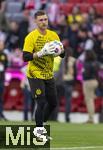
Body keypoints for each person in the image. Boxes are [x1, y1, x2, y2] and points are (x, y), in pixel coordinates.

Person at [23, 10, 64, 140]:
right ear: (35, 21)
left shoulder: (53, 35)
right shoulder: (31, 37)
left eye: (45, 19)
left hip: (48, 74)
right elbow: (25, 57)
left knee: (53, 103)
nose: (44, 22)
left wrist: (59, 51)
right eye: (40, 20)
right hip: (34, 73)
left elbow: (63, 53)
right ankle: (38, 131)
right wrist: (40, 53)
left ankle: (41, 124)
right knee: (41, 101)